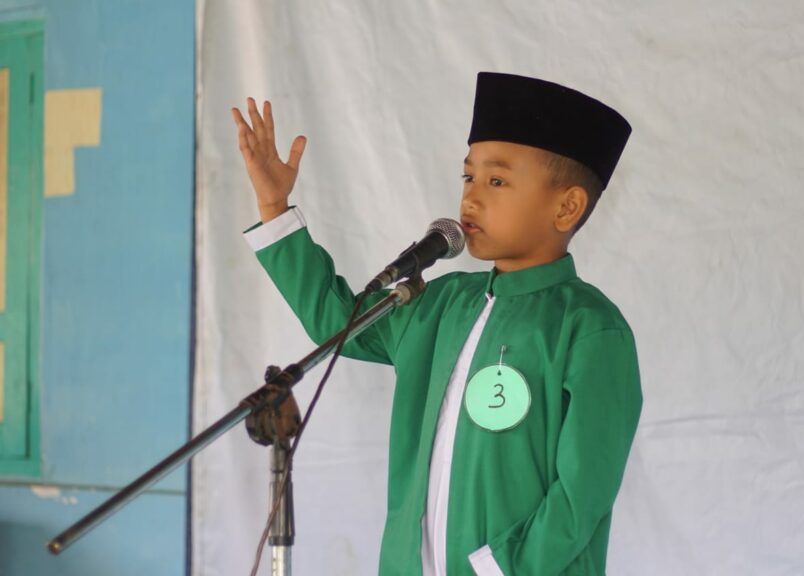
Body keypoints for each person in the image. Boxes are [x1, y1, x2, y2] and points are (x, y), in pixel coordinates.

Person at [231, 71, 642, 575]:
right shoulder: (441, 303)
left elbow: (583, 494)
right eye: (468, 178)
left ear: (567, 207)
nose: (471, 198)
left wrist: (500, 569)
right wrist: (274, 208)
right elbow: (336, 322)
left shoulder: (590, 328)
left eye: (496, 181)